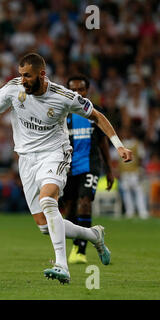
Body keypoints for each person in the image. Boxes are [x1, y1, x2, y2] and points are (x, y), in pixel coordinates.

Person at [0, 53, 132, 284]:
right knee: (45, 227)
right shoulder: (13, 89)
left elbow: (97, 116)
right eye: (21, 74)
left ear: (42, 74)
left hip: (55, 154)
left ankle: (62, 265)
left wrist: (119, 146)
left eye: (28, 76)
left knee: (48, 200)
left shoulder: (63, 96)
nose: (22, 80)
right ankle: (94, 235)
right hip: (26, 159)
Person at [61, 74, 115, 264]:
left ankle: (80, 250)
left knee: (84, 202)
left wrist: (109, 169)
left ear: (87, 91)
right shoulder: (62, 112)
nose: (77, 93)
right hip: (67, 167)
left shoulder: (95, 112)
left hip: (90, 165)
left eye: (81, 89)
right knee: (69, 208)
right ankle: (78, 243)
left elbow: (103, 143)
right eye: (73, 90)